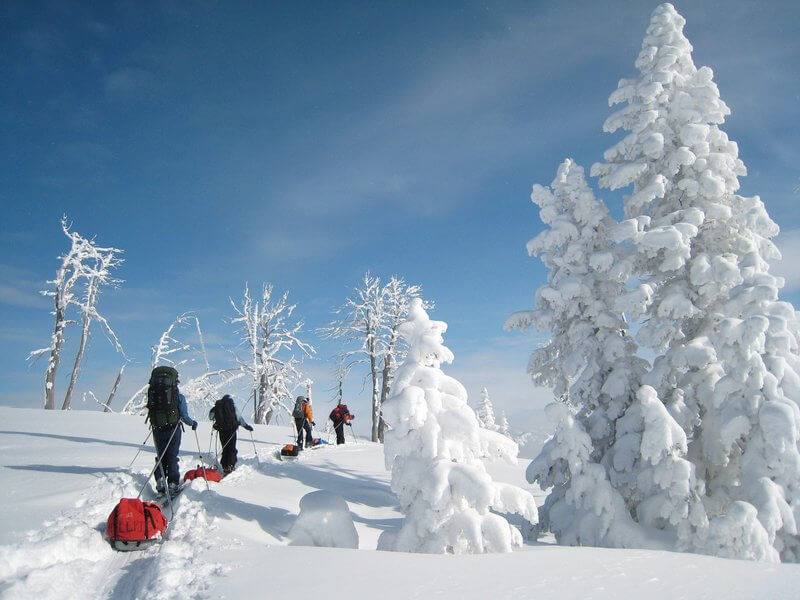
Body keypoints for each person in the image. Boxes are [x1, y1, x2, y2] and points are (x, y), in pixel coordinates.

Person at [146, 366, 197, 495]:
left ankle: (160, 480)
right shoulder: (178, 397)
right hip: (173, 429)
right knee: (172, 456)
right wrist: (193, 424)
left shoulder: (153, 393)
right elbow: (184, 416)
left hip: (157, 427)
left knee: (161, 456)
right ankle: (173, 483)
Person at [209, 394, 254, 474]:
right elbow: (239, 418)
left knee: (225, 448)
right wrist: (246, 426)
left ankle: (224, 466)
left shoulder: (218, 407)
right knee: (231, 448)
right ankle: (231, 465)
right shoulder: (232, 407)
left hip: (222, 430)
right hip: (232, 430)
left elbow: (211, 417)